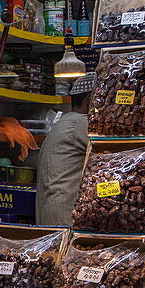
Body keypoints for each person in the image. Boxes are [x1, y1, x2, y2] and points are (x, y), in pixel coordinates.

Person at [36, 73, 95, 226]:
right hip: (65, 213)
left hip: (53, 209)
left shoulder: (66, 121)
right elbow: (112, 151)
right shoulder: (80, 123)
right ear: (89, 99)